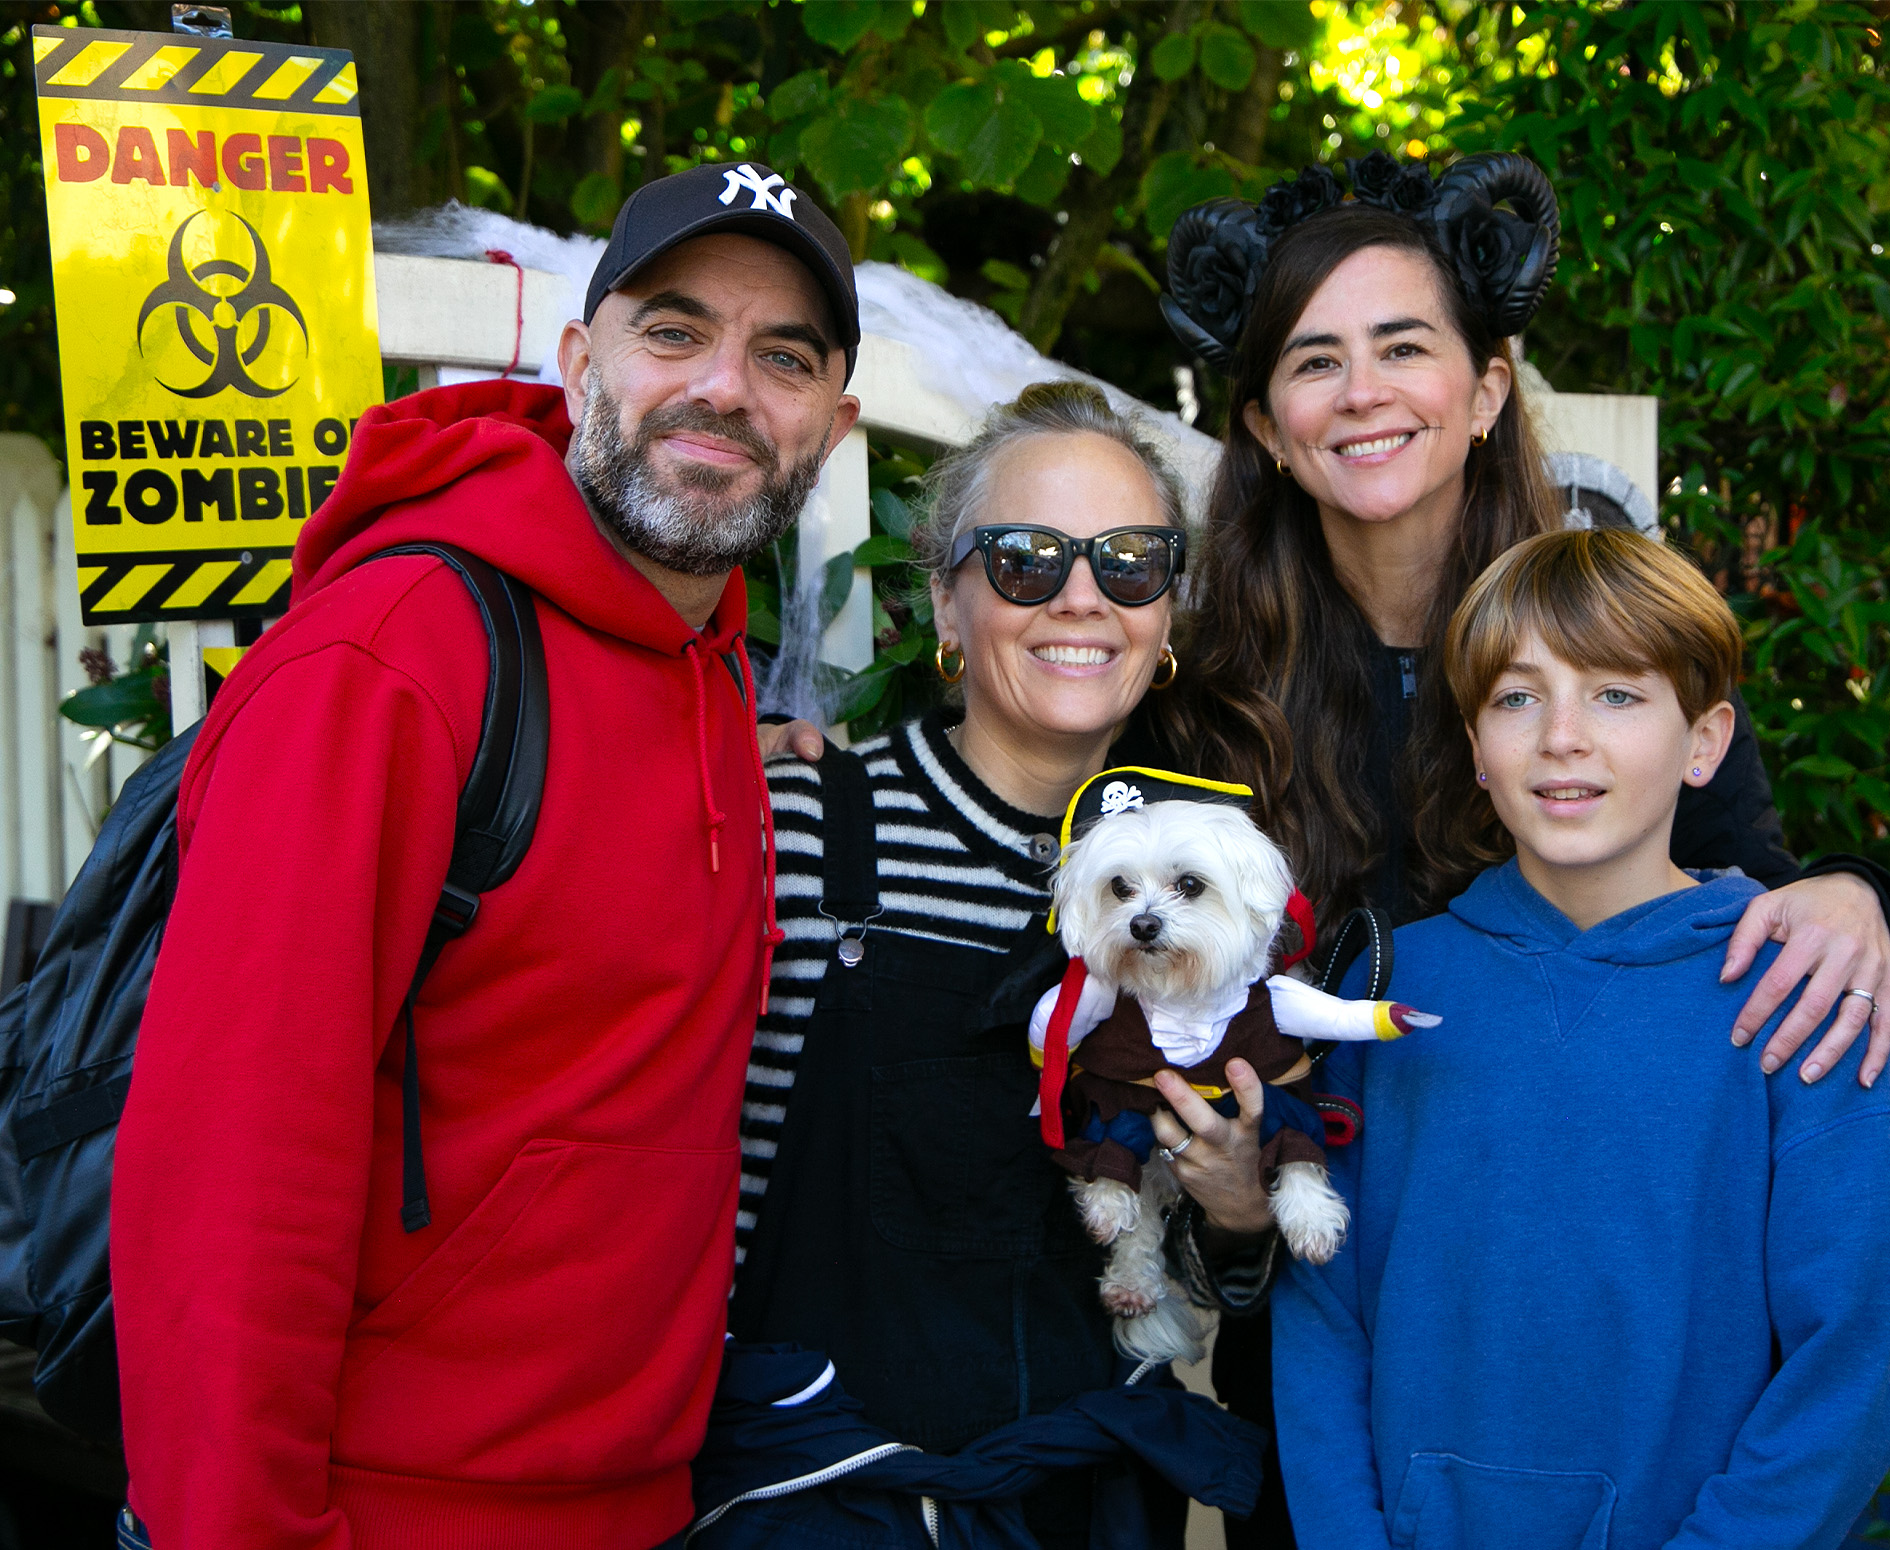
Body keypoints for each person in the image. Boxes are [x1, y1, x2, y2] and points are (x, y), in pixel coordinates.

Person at [110, 162, 860, 1550]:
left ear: (832, 420)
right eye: (674, 330)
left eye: (785, 356)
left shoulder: (711, 674)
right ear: (578, 362)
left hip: (645, 1499)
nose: (724, 387)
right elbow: (225, 1174)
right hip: (383, 1506)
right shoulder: (393, 660)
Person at [1150, 148, 1890, 1547]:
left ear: (1487, 389)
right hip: (1346, 1421)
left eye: (1403, 346)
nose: (1362, 391)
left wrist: (1859, 894)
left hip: (1656, 1443)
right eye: (1314, 359)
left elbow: (1745, 891)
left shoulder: (1601, 638)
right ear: (1262, 422)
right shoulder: (1195, 709)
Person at [728, 382, 1277, 1550]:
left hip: (1089, 1508)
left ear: (1167, 612)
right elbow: (703, 1202)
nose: (1082, 595)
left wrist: (1239, 1216)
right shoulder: (809, 828)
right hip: (832, 1502)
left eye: (1130, 561)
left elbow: (1186, 1261)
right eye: (1027, 558)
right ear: (946, 596)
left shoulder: (1208, 886)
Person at [1270, 526, 1890, 1549]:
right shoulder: (1384, 990)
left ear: (1705, 741)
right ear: (1475, 747)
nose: (1562, 735)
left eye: (1616, 693)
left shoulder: (1802, 990)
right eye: (1518, 697)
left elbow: (1856, 1354)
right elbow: (1321, 1309)